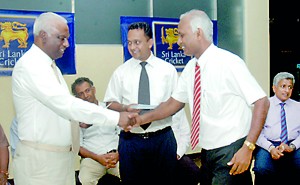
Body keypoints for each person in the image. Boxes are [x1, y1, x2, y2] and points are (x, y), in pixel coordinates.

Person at [130, 9, 270, 185]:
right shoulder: (191, 68)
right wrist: (140, 119)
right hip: (208, 151)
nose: (179, 41)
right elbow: (173, 104)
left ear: (198, 33)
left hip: (231, 149)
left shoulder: (229, 63)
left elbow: (261, 102)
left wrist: (248, 147)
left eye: (182, 35)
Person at [11, 12, 135, 185]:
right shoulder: (31, 66)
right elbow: (66, 104)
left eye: (67, 39)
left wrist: (76, 122)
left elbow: (56, 110)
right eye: (61, 38)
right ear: (43, 36)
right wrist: (117, 118)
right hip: (41, 164)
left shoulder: (50, 66)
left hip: (59, 160)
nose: (66, 44)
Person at [103, 22, 189, 185]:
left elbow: (177, 104)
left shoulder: (167, 70)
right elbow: (109, 103)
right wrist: (124, 108)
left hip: (161, 138)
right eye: (129, 43)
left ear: (150, 42)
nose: (132, 47)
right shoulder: (121, 72)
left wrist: (157, 112)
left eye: (137, 42)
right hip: (131, 140)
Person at [71, 77, 121, 185]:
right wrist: (98, 158)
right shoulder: (76, 118)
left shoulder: (110, 109)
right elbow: (78, 147)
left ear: (93, 90)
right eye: (80, 94)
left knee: (133, 174)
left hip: (116, 156)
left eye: (87, 91)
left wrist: (119, 153)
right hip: (92, 158)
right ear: (77, 97)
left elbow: (123, 135)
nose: (85, 96)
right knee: (84, 180)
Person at [253, 72, 300, 185]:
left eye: (290, 87)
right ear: (274, 88)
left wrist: (292, 147)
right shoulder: (264, 106)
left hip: (292, 144)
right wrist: (270, 148)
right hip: (268, 144)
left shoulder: (298, 107)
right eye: (283, 86)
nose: (287, 90)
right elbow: (257, 133)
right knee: (261, 168)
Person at [172, 111, 201, 185]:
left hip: (176, 154)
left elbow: (186, 135)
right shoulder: (144, 102)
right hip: (155, 154)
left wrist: (178, 153)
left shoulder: (177, 105)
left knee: (193, 172)